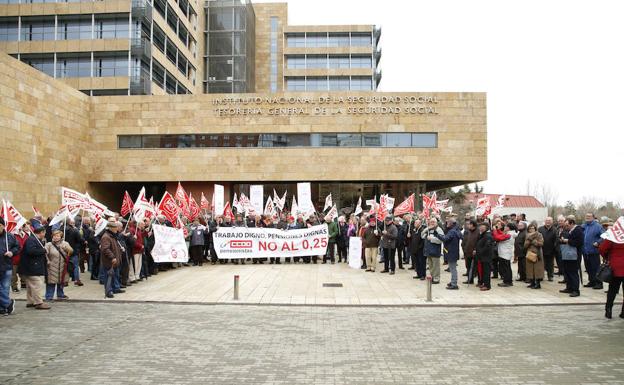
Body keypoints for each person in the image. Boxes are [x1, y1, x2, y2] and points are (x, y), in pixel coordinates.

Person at [18, 225, 50, 309]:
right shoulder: (32, 240)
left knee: (30, 285)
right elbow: (30, 251)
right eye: (44, 233)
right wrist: (43, 250)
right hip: (31, 266)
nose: (45, 234)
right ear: (41, 232)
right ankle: (38, 303)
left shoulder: (35, 239)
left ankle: (30, 301)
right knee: (37, 284)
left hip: (31, 266)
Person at [598, 230, 624, 319]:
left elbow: (602, 249)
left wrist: (607, 257)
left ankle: (608, 310)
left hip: (615, 266)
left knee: (612, 290)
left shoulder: (614, 236)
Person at [44, 230, 73, 301]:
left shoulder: (65, 243)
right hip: (51, 267)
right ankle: (49, 296)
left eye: (57, 236)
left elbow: (71, 251)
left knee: (61, 281)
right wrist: (47, 260)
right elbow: (45, 253)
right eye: (54, 236)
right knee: (51, 282)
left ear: (61, 237)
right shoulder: (49, 244)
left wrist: (66, 248)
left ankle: (60, 295)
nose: (56, 237)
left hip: (63, 266)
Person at [559, 216, 583, 297]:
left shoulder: (578, 230)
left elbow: (578, 242)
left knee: (573, 273)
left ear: (572, 223)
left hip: (574, 256)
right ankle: (569, 287)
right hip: (568, 255)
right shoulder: (571, 230)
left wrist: (568, 241)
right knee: (567, 271)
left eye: (567, 225)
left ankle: (576, 290)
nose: (566, 227)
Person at [0, 218, 20, 316]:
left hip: (6, 266)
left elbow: (17, 247)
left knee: (5, 288)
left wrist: (12, 252)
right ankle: (8, 304)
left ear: (3, 226)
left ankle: (2, 308)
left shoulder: (10, 236)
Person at [100, 218, 122, 299]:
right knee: (108, 276)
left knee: (114, 275)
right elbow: (105, 249)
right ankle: (108, 291)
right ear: (111, 228)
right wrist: (112, 257)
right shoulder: (106, 237)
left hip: (114, 260)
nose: (117, 229)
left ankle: (115, 289)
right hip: (109, 261)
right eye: (115, 227)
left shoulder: (112, 236)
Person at [582, 213, 605, 290]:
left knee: (595, 268)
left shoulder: (598, 226)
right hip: (585, 251)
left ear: (593, 217)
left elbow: (604, 236)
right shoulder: (583, 226)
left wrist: (598, 242)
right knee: (588, 268)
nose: (587, 217)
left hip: (594, 250)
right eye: (586, 216)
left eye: (589, 216)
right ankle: (591, 281)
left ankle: (599, 283)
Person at [492, 222, 517, 287]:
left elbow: (498, 237)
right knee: (506, 268)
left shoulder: (509, 235)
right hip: (504, 253)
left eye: (505, 226)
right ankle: (507, 281)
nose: (504, 228)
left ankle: (507, 281)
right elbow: (501, 234)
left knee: (506, 269)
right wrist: (497, 229)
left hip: (505, 254)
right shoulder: (509, 233)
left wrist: (494, 230)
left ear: (509, 228)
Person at [441, 217, 462, 290]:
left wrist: (438, 235)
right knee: (453, 268)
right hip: (453, 252)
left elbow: (445, 239)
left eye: (448, 222)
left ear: (452, 223)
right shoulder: (455, 230)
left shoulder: (452, 231)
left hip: (452, 252)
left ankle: (454, 284)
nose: (447, 223)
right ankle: (453, 281)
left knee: (453, 269)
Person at [421, 217, 444, 283]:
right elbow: (422, 236)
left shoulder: (439, 230)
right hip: (428, 250)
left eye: (434, 222)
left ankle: (436, 278)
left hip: (435, 251)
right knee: (430, 266)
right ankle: (432, 277)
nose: (432, 223)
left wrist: (432, 239)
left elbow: (441, 240)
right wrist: (426, 229)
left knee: (436, 266)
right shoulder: (428, 229)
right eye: (431, 222)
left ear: (436, 223)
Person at [63, 218, 84, 286]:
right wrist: (80, 233)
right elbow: (80, 240)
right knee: (75, 266)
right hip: (73, 250)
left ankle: (65, 281)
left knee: (66, 265)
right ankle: (76, 280)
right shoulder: (75, 230)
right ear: (71, 223)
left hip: (64, 250)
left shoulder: (62, 229)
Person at [524, 221, 545, 289]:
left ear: (535, 228)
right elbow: (525, 245)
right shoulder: (527, 235)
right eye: (530, 228)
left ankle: (538, 284)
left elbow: (541, 243)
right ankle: (532, 282)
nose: (531, 229)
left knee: (537, 269)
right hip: (529, 253)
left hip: (537, 253)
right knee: (530, 269)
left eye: (533, 228)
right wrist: (528, 241)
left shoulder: (539, 234)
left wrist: (534, 242)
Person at [538, 217, 559, 282]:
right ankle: (541, 276)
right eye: (547, 220)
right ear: (545, 221)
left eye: (549, 221)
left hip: (551, 249)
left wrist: (555, 248)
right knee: (541, 264)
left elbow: (556, 239)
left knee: (550, 264)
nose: (548, 222)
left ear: (552, 221)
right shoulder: (540, 229)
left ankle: (550, 276)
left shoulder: (555, 230)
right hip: (542, 249)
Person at [475, 222, 494, 291]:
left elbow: (487, 247)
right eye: (480, 227)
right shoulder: (483, 234)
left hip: (486, 257)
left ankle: (487, 285)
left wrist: (480, 252)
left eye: (482, 227)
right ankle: (483, 283)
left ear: (486, 227)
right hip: (482, 256)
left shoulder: (488, 235)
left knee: (487, 271)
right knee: (483, 271)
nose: (480, 228)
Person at [11, 223, 29, 293]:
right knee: (14, 274)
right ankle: (14, 286)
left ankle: (23, 283)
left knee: (24, 272)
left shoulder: (26, 234)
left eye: (21, 225)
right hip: (14, 258)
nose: (19, 227)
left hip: (23, 257)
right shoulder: (12, 234)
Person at [462, 220, 479, 284]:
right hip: (467, 252)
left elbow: (478, 242)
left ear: (473, 225)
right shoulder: (469, 232)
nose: (468, 225)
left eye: (470, 224)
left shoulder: (477, 232)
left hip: (474, 252)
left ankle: (475, 278)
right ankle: (470, 279)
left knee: (474, 267)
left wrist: (475, 249)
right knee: (468, 266)